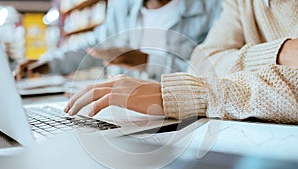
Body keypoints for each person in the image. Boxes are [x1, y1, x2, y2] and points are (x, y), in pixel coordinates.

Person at [64, 0, 298, 125]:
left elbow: (192, 68)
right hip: (139, 108)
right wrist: (280, 54)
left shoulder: (206, 6)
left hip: (187, 106)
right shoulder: (124, 7)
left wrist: (177, 91)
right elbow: (204, 61)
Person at [15, 0, 222, 81]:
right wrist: (49, 62)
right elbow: (93, 46)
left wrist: (144, 60)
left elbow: (215, 69)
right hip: (125, 113)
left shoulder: (212, 8)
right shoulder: (123, 6)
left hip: (184, 115)